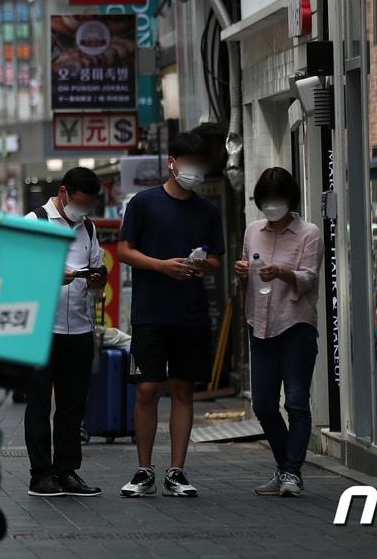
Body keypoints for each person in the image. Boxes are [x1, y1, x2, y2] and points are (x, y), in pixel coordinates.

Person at [117, 132, 223, 498]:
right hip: (150, 311)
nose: (194, 171)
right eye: (188, 164)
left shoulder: (208, 211)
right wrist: (161, 266)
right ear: (172, 162)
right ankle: (144, 469)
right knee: (147, 389)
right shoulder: (143, 203)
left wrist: (200, 265)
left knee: (182, 389)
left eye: (199, 166)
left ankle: (176, 471)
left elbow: (215, 261)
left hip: (191, 313)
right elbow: (125, 251)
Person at [235, 167, 321, 497]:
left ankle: (290, 471)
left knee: (297, 402)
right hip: (260, 324)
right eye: (265, 200)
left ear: (290, 200)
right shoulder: (253, 230)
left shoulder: (308, 233)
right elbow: (247, 279)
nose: (270, 207)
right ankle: (287, 468)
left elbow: (310, 278)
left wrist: (283, 272)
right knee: (264, 405)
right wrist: (243, 273)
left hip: (295, 323)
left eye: (276, 200)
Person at [22, 168, 108, 497]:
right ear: (63, 193)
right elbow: (18, 273)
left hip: (80, 327)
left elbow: (97, 271)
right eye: (80, 203)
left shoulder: (88, 227)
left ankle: (67, 471)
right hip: (42, 330)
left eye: (89, 205)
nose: (84, 210)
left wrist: (98, 281)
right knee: (39, 403)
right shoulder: (35, 222)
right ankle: (40, 474)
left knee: (73, 405)